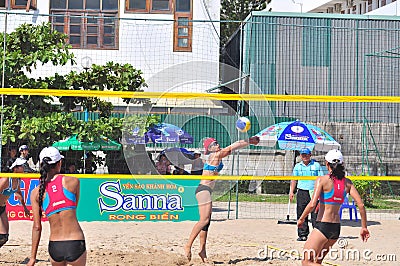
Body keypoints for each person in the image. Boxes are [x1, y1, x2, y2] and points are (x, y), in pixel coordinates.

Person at [184, 136, 259, 262]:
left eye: (217, 142)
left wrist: (247, 141)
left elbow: (232, 147)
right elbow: (232, 147)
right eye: (214, 143)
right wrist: (249, 141)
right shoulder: (215, 156)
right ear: (210, 148)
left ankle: (202, 251)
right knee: (204, 220)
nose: (217, 144)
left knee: (207, 223)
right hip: (203, 190)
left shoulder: (216, 155)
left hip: (207, 190)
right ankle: (188, 245)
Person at [298, 149, 370, 265]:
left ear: (327, 164)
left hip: (323, 226)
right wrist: (364, 227)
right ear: (342, 164)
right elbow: (361, 205)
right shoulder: (347, 183)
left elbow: (312, 204)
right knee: (317, 261)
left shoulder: (322, 180)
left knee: (306, 262)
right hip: (335, 229)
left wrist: (301, 219)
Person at [28, 147, 86, 266]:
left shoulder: (36, 192)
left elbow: (37, 227)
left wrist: (32, 258)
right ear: (59, 163)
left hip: (55, 245)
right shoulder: (73, 182)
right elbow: (75, 207)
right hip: (75, 241)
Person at [289, 148, 324, 241]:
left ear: (310, 155)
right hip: (302, 191)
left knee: (315, 214)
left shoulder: (316, 165)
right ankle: (302, 235)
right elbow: (294, 180)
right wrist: (291, 191)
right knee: (301, 213)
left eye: (306, 154)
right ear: (300, 155)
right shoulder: (297, 166)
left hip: (314, 191)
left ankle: (317, 234)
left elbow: (321, 179)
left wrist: (321, 192)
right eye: (303, 155)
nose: (304, 156)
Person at [0, 158, 30, 249]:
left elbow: (18, 193)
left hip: (2, 208)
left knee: (4, 237)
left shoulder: (17, 180)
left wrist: (24, 208)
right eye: (22, 166)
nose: (24, 168)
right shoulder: (6, 179)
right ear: (15, 168)